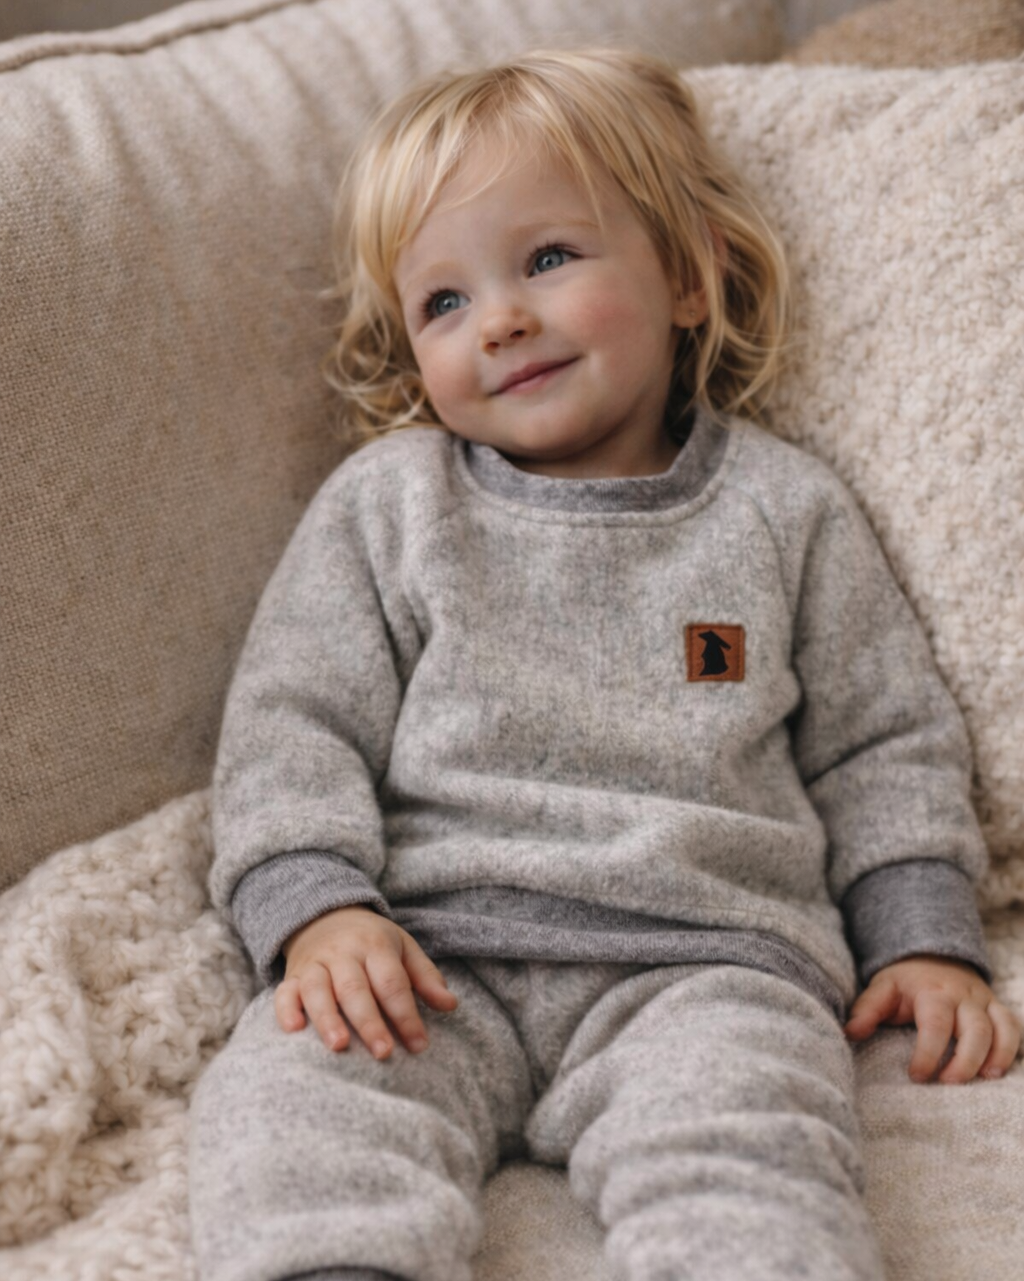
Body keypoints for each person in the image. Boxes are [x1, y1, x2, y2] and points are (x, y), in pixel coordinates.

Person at [187, 46, 1021, 1281]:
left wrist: (921, 937)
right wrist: (317, 909)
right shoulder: (388, 506)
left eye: (546, 260)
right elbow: (292, 723)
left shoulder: (782, 513)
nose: (500, 320)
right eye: (444, 302)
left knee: (754, 1150)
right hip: (426, 954)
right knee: (294, 1103)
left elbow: (882, 742)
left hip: (703, 963)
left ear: (687, 275)